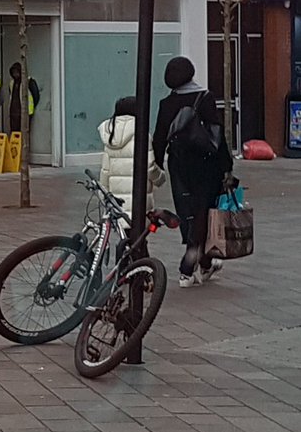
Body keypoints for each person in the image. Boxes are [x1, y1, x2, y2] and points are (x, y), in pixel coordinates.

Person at [153, 56, 233, 287]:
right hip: (205, 164)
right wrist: (226, 166)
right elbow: (217, 137)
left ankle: (205, 262)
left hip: (178, 164)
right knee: (201, 212)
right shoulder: (204, 98)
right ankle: (187, 267)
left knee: (188, 211)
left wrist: (157, 165)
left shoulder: (166, 103)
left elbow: (159, 138)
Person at [98, 96, 165, 219]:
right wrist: (160, 178)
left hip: (117, 200)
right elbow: (149, 167)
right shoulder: (142, 133)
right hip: (139, 198)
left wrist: (104, 193)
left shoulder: (111, 136)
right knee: (139, 231)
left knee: (124, 232)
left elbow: (105, 170)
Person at [8, 62, 40, 136]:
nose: (15, 74)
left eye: (17, 72)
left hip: (25, 112)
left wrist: (31, 107)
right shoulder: (12, 83)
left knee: (24, 133)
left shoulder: (29, 81)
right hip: (13, 112)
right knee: (14, 134)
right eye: (14, 73)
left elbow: (36, 96)